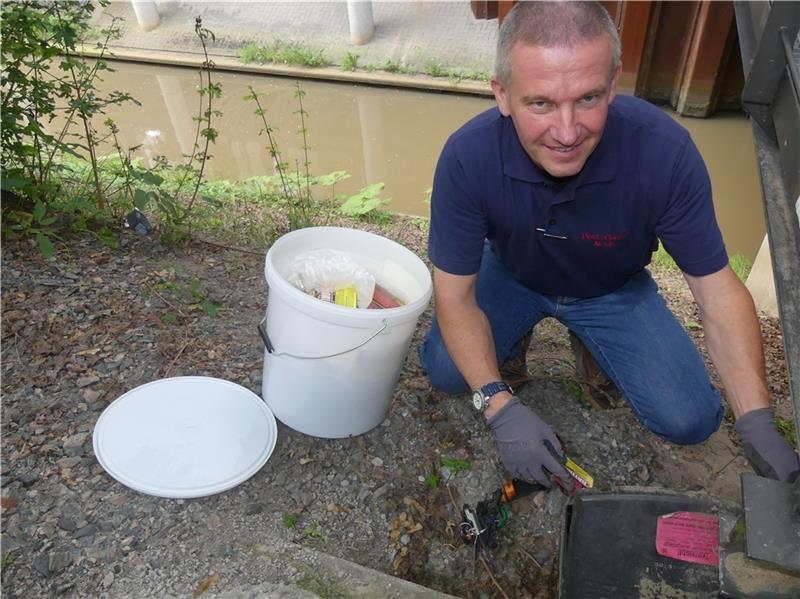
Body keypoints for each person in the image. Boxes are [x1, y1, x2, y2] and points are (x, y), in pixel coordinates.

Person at [418, 1, 799, 488]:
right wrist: (498, 405)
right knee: (448, 372)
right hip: (513, 273)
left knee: (691, 421)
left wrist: (757, 420)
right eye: (541, 103)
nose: (567, 131)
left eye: (588, 99)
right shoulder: (467, 156)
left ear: (613, 83)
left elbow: (717, 291)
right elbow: (453, 294)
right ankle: (509, 348)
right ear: (503, 94)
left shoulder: (664, 151)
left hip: (610, 287)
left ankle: (590, 342)